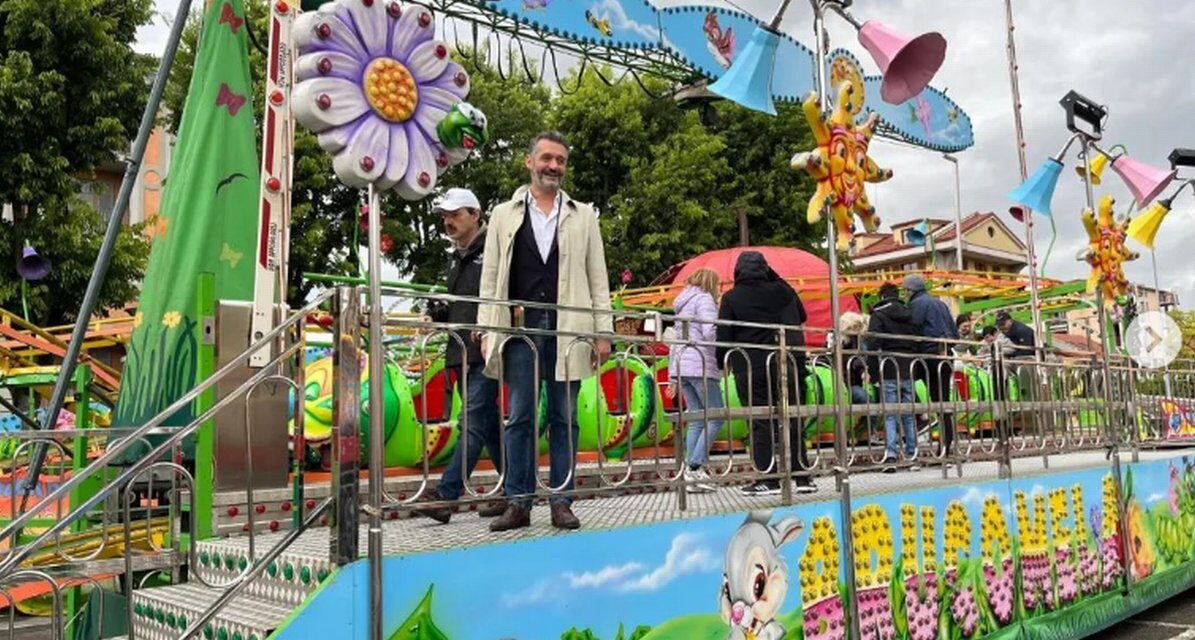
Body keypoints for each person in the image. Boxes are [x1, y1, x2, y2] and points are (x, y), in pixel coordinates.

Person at [477, 131, 613, 531]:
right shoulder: (504, 213)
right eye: (547, 158)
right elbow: (490, 278)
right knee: (519, 416)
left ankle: (562, 500)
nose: (554, 166)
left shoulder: (583, 214)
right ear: (529, 161)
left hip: (568, 326)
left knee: (565, 416)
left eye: (561, 161)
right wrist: (488, 329)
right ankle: (518, 502)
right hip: (518, 326)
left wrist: (602, 331)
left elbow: (598, 276)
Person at [414, 189, 505, 524]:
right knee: (486, 424)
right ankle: (515, 490)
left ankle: (446, 495)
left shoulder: (493, 250)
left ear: (475, 214)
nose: (447, 221)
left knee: (473, 420)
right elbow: (456, 303)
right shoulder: (455, 256)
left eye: (454, 214)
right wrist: (435, 315)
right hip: (460, 352)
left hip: (485, 349)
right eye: (444, 215)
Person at [714, 251, 816, 496]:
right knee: (792, 416)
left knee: (760, 419)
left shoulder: (731, 298)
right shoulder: (782, 292)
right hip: (786, 362)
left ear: (738, 271)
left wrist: (722, 363)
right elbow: (802, 315)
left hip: (751, 366)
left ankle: (768, 478)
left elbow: (724, 336)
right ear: (765, 269)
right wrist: (775, 277)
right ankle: (802, 477)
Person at [667, 268, 724, 493]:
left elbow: (676, 341)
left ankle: (690, 472)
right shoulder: (705, 300)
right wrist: (720, 353)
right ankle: (695, 466)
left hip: (683, 365)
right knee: (717, 414)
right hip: (702, 364)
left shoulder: (682, 303)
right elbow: (710, 332)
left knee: (697, 417)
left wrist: (673, 374)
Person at [867, 283, 925, 472]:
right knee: (908, 414)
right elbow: (918, 339)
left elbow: (874, 343)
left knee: (890, 414)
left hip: (889, 367)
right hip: (908, 367)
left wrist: (873, 372)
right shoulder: (910, 313)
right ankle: (912, 455)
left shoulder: (878, 314)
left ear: (881, 296)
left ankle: (891, 456)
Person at [904, 274, 959, 458]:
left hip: (929, 355)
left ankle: (919, 424)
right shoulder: (941, 303)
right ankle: (946, 447)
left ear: (910, 290)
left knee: (905, 385)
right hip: (946, 354)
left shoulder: (917, 304)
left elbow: (914, 329)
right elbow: (954, 332)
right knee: (943, 402)